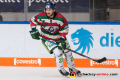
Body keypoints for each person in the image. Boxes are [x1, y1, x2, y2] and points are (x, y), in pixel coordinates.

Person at [29, 1, 81, 77]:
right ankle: (61, 69)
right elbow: (32, 20)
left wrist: (62, 40)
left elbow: (64, 29)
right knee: (58, 52)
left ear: (54, 10)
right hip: (47, 39)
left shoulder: (60, 18)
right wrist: (33, 30)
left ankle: (72, 68)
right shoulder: (41, 17)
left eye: (49, 10)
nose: (47, 11)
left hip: (59, 38)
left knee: (68, 53)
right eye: (46, 9)